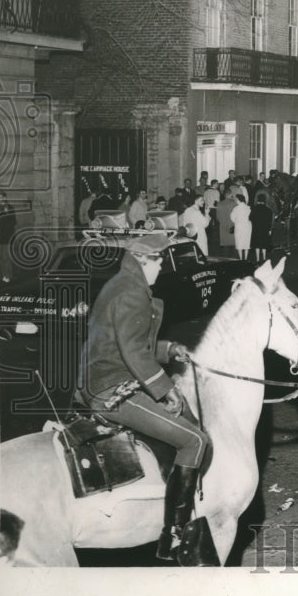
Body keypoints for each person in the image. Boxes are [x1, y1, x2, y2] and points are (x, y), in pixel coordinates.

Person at [75, 233, 212, 563]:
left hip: (106, 375)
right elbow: (134, 353)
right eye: (159, 260)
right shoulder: (131, 293)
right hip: (111, 389)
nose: (162, 265)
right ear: (143, 260)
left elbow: (126, 340)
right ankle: (174, 535)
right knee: (194, 440)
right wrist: (167, 391)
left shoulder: (123, 284)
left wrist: (169, 349)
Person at [0, 192, 17, 283]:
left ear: (5, 197)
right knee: (1, 257)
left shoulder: (10, 208)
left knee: (7, 257)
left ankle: (8, 275)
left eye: (1, 197)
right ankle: (3, 275)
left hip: (8, 236)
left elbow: (13, 222)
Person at [249, 194, 274, 262]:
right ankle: (264, 258)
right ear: (264, 201)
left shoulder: (254, 209)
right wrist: (270, 230)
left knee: (257, 245)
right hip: (265, 229)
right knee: (264, 244)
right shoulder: (269, 210)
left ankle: (257, 259)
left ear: (258, 200)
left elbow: (250, 218)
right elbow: (270, 221)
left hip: (256, 229)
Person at [215, 187, 236, 257]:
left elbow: (217, 217)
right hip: (232, 226)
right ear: (229, 194)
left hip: (223, 227)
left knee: (225, 248)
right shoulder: (233, 203)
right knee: (234, 248)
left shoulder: (219, 204)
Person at [230, 193, 252, 259]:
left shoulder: (235, 209)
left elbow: (232, 217)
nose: (235, 200)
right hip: (247, 226)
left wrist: (237, 222)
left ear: (238, 199)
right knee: (246, 242)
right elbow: (251, 217)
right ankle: (245, 258)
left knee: (239, 242)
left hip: (239, 226)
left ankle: (241, 258)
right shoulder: (248, 208)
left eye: (236, 199)